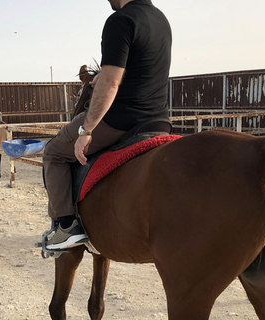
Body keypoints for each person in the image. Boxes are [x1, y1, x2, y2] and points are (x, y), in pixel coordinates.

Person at [43, 0, 172, 250]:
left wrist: (87, 130)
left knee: (54, 152)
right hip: (158, 120)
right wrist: (102, 76)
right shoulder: (161, 20)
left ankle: (67, 226)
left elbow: (111, 84)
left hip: (120, 121)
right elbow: (139, 71)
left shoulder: (120, 20)